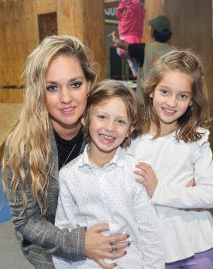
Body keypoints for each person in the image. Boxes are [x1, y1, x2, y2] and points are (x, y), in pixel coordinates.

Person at [1, 35, 129, 269]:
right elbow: (27, 221)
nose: (66, 98)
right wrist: (80, 244)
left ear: (89, 84)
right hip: (51, 251)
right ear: (39, 92)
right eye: (52, 87)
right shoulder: (21, 145)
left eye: (75, 84)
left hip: (116, 246)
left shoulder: (107, 131)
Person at [52, 80, 164, 269]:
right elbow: (65, 231)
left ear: (129, 130)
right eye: (102, 117)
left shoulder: (135, 172)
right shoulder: (69, 175)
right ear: (85, 120)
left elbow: (150, 232)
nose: (110, 127)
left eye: (120, 121)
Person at [128, 50, 213, 269]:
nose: (171, 102)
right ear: (151, 90)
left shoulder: (196, 139)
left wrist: (157, 191)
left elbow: (211, 194)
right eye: (165, 92)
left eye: (182, 96)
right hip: (151, 252)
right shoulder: (131, 139)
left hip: (199, 247)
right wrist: (187, 195)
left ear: (191, 101)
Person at [113, 15, 175, 103]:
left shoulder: (144, 49)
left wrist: (116, 40)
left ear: (153, 32)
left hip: (145, 104)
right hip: (166, 101)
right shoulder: (176, 53)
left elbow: (123, 45)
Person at [115, 0, 145, 78]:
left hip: (122, 44)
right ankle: (137, 73)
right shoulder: (137, 7)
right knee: (133, 59)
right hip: (133, 42)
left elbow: (119, 13)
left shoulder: (126, 7)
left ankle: (136, 73)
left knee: (131, 59)